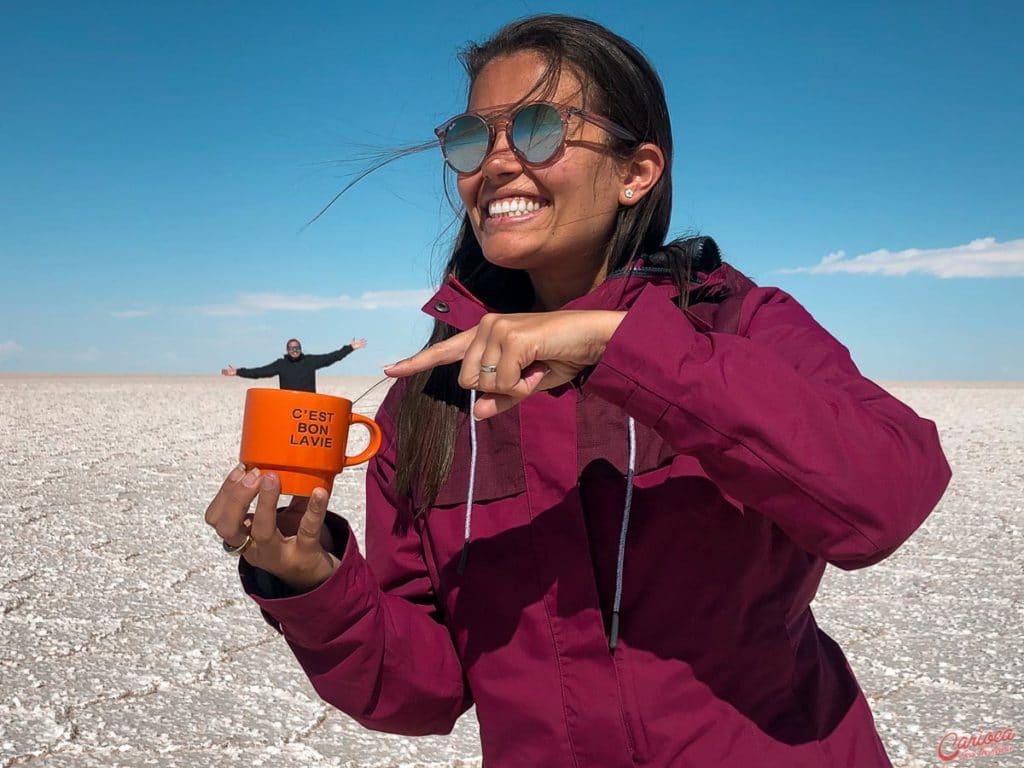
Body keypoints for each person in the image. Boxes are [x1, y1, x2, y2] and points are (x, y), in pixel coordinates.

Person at [204, 15, 951, 767]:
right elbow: (424, 692)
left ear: (637, 171)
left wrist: (616, 347)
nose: (493, 164)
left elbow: (885, 495)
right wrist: (311, 582)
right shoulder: (433, 404)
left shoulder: (742, 327)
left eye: (536, 128)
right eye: (471, 138)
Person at [220, 337, 366, 393]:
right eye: (291, 348)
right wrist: (238, 371)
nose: (294, 350)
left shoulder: (310, 361)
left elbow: (332, 357)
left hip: (308, 405)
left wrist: (350, 347)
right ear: (287, 350)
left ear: (301, 349)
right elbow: (260, 372)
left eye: (297, 348)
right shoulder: (281, 364)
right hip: (288, 405)